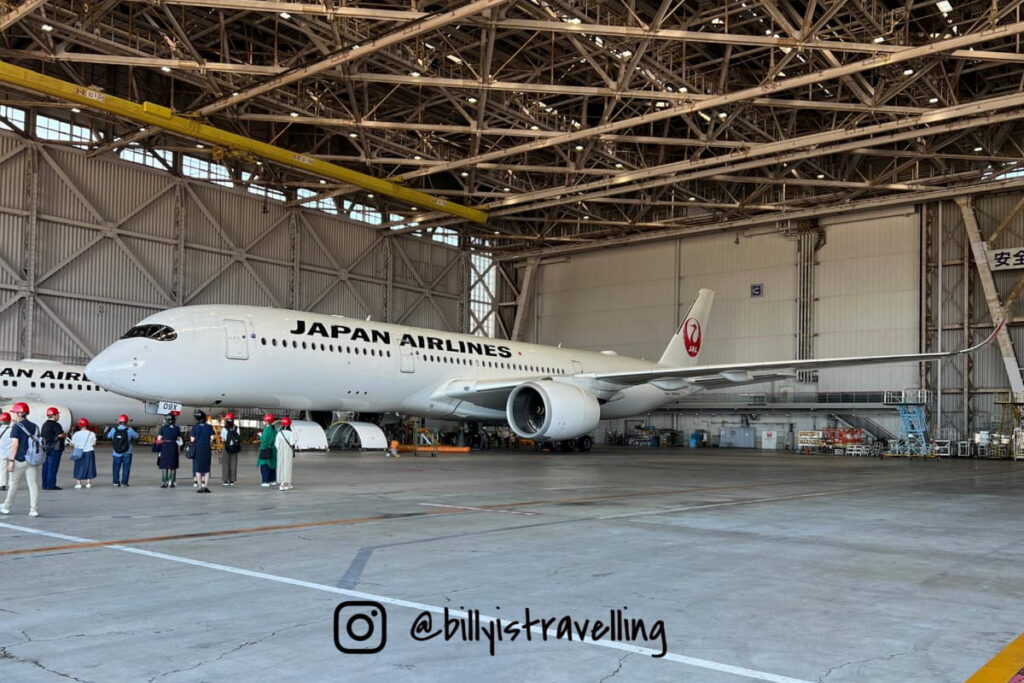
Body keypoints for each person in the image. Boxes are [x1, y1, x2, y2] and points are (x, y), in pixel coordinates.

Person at [1, 402, 41, 517]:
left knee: (13, 484)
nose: (13, 415)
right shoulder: (34, 426)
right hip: (32, 460)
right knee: (33, 484)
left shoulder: (16, 427)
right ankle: (33, 509)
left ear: (20, 413)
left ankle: (7, 506)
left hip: (19, 459)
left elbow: (15, 445)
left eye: (14, 412)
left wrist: (11, 461)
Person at [107, 414, 138, 487]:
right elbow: (137, 436)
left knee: (116, 468)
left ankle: (115, 482)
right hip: (127, 452)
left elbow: (108, 436)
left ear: (119, 421)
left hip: (116, 452)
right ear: (127, 422)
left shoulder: (113, 429)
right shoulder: (129, 430)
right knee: (126, 468)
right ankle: (124, 482)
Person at [40, 407, 66, 491]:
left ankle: (45, 484)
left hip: (46, 448)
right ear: (54, 415)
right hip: (55, 449)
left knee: (46, 467)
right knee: (53, 467)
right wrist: (65, 434)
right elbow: (60, 435)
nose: (59, 416)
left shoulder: (45, 424)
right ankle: (51, 485)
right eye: (58, 414)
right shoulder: (55, 424)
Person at [190, 410, 214, 493]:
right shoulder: (209, 427)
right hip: (206, 448)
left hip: (197, 449)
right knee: (207, 468)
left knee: (198, 469)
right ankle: (206, 486)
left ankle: (200, 487)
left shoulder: (194, 427)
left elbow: (192, 440)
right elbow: (212, 438)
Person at [156, 414, 182, 488]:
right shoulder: (177, 428)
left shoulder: (163, 428)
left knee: (164, 466)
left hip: (165, 446)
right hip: (173, 446)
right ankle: (172, 482)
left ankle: (165, 482)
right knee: (173, 466)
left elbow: (158, 440)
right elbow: (179, 439)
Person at [70, 417, 97, 489]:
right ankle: (88, 483)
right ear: (87, 425)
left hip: (79, 452)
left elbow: (72, 443)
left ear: (79, 425)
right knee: (89, 466)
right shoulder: (91, 433)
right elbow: (94, 443)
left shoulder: (76, 434)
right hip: (89, 451)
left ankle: (78, 483)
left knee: (78, 466)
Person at [274, 417, 297, 491]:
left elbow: (276, 444)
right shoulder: (291, 433)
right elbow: (292, 442)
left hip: (280, 450)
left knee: (281, 465)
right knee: (287, 465)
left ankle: (281, 482)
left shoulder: (279, 433)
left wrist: (280, 449)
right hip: (288, 450)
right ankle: (285, 483)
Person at [220, 413, 241, 486]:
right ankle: (232, 481)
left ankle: (225, 480)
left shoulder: (224, 428)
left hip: (226, 447)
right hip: (235, 447)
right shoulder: (237, 428)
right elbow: (238, 437)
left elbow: (222, 439)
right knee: (233, 464)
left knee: (225, 464)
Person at [257, 413, 277, 487]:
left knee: (264, 465)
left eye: (264, 420)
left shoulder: (266, 430)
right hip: (273, 450)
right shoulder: (273, 429)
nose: (263, 421)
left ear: (267, 421)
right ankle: (273, 480)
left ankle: (265, 481)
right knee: (272, 465)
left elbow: (264, 441)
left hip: (265, 450)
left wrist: (260, 436)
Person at [0, 412, 10, 492]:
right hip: (11, 453)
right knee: (11, 469)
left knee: (2, 469)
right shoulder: (12, 430)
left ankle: (2, 485)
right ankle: (11, 484)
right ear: (9, 421)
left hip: (1, 453)